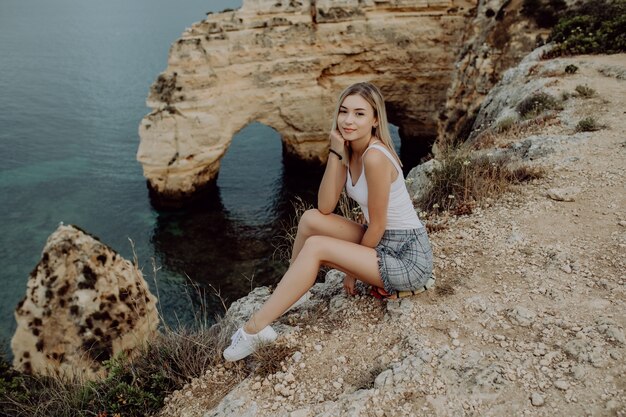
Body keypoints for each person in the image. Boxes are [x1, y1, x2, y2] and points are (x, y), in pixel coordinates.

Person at [223, 82, 433, 361]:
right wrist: (336, 152)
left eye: (359, 114)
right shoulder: (352, 150)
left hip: (407, 256)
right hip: (383, 243)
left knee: (317, 246)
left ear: (375, 120)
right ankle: (292, 290)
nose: (348, 120)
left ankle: (254, 329)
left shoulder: (375, 157)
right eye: (343, 111)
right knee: (310, 220)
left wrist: (352, 270)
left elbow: (379, 225)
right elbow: (324, 206)